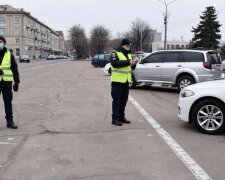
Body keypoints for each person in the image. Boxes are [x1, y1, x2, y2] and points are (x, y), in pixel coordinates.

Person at [110, 38, 138, 126]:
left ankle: (121, 117)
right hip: (117, 81)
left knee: (124, 101)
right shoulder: (115, 53)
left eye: (129, 46)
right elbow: (115, 63)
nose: (128, 47)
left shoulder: (129, 53)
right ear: (122, 45)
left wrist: (134, 64)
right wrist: (128, 62)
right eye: (127, 46)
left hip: (126, 81)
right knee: (116, 100)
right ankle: (115, 119)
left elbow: (130, 67)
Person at [0, 36, 20, 129]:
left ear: (4, 43)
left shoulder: (9, 54)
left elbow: (14, 69)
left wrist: (16, 82)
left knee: (8, 102)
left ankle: (10, 122)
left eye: (0, 41)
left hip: (7, 83)